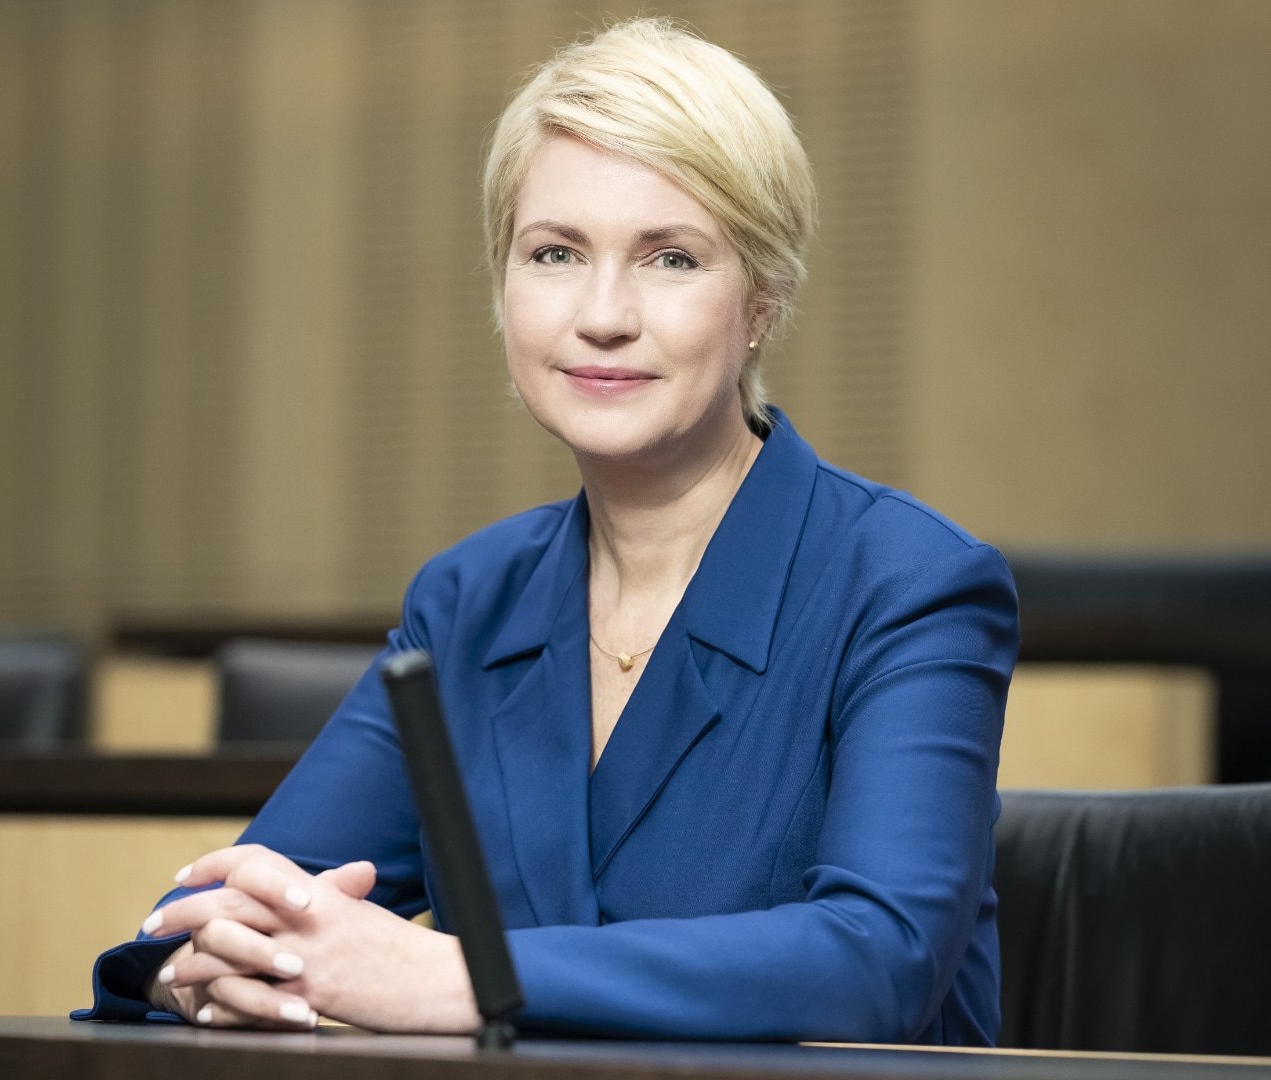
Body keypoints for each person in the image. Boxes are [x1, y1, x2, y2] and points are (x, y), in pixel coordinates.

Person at [74, 17, 1015, 1044]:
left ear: (763, 300)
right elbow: (221, 915)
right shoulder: (471, 602)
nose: (602, 314)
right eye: (555, 253)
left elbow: (879, 961)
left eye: (670, 258)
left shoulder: (909, 582)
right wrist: (204, 971)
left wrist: (458, 979)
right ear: (504, 286)